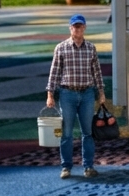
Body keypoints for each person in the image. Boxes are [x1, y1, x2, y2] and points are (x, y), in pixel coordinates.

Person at [46, 14, 106, 179]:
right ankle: (66, 167)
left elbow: (97, 73)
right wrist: (50, 94)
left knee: (87, 132)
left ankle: (88, 166)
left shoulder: (91, 48)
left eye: (80, 26)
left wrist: (101, 92)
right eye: (74, 26)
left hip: (87, 93)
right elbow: (54, 72)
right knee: (66, 133)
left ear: (84, 28)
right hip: (67, 93)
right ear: (70, 28)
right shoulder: (61, 48)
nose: (77, 29)